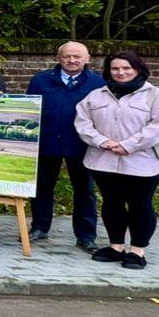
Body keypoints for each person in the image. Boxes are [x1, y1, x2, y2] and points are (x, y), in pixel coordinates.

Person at [75, 51, 159, 270]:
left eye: (126, 68)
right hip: (103, 160)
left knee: (140, 205)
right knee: (112, 204)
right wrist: (102, 142)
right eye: (115, 68)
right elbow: (82, 123)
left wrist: (129, 145)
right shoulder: (96, 96)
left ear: (137, 69)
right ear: (108, 71)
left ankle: (137, 250)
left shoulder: (156, 95)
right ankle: (116, 247)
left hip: (143, 162)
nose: (120, 72)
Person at [26, 41, 103, 250]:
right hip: (47, 142)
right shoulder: (41, 80)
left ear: (87, 59)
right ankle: (39, 227)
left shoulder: (98, 83)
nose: (72, 60)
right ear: (58, 58)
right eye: (67, 56)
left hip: (81, 144)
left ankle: (86, 236)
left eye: (77, 56)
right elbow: (29, 110)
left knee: (84, 190)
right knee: (42, 187)